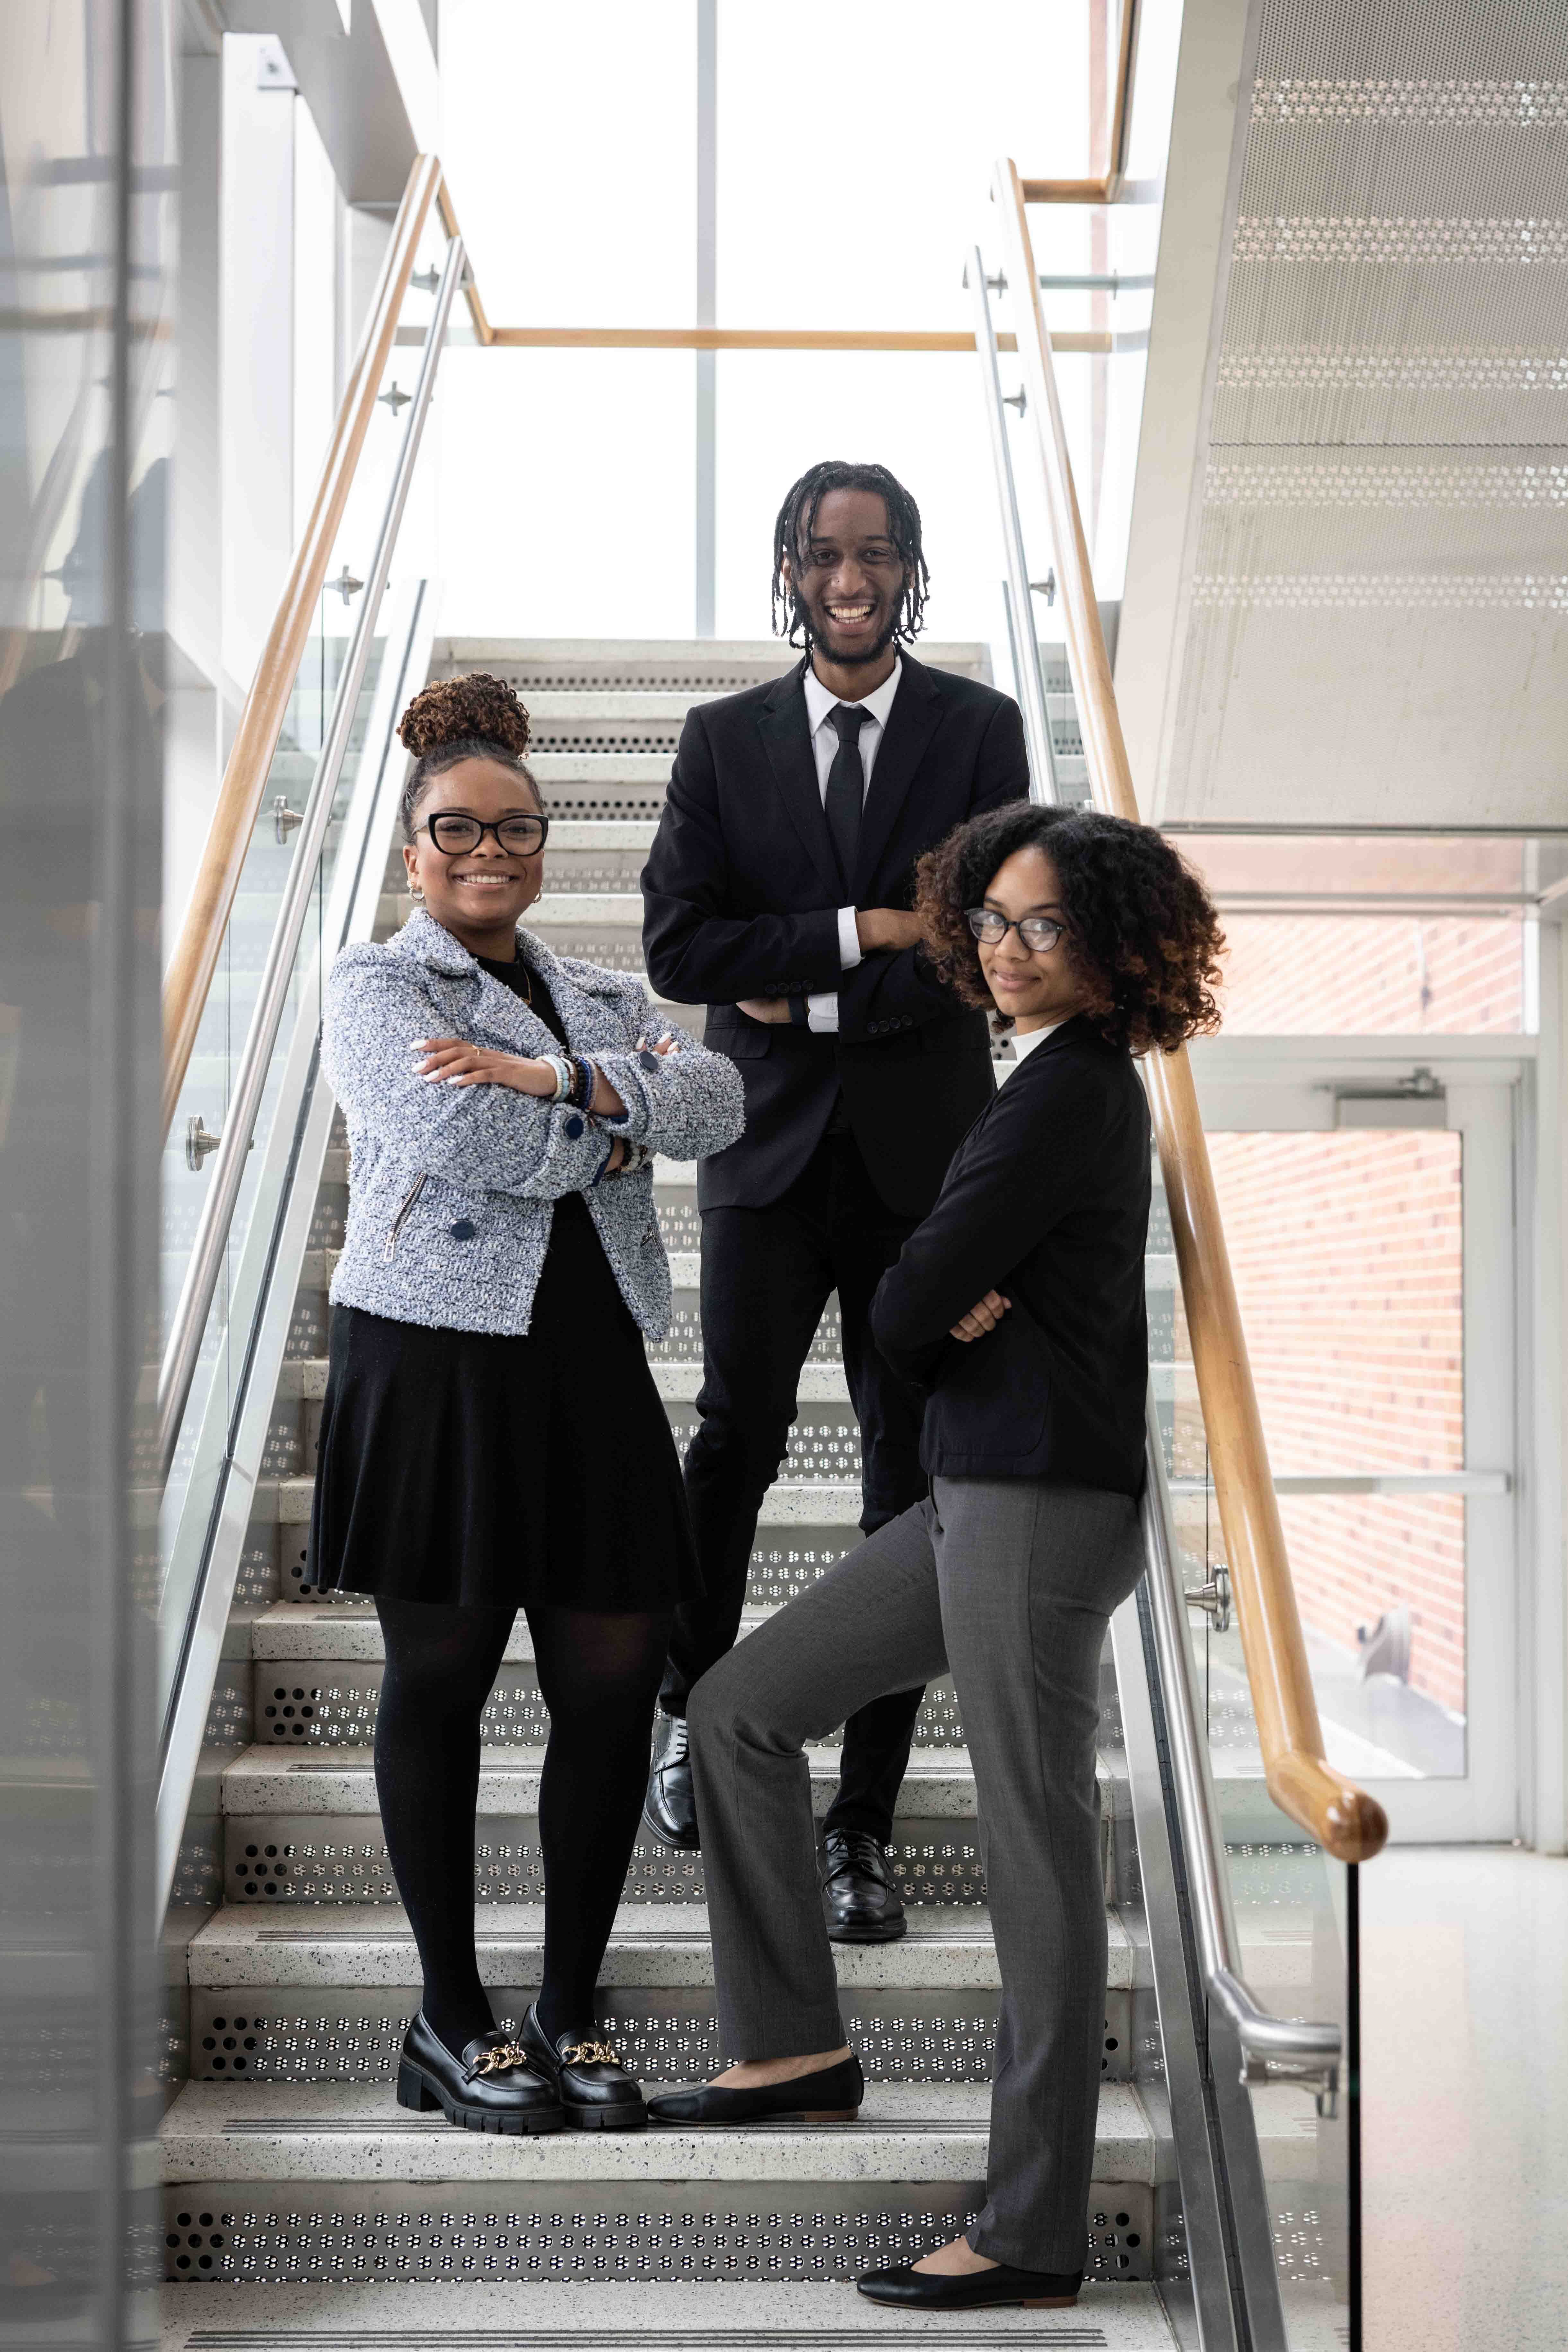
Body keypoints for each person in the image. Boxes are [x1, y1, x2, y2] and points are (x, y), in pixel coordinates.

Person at [646, 801, 1224, 2313]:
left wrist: (934, 1289)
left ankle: (1032, 2225)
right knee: (740, 1708)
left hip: (1037, 1501)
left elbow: (904, 1306)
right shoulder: (1047, 1083)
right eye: (992, 919)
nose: (1009, 948)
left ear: (1113, 945)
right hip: (978, 1483)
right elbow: (919, 1294)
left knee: (1037, 1857)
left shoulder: (1074, 1092)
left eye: (1046, 924)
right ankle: (796, 2043)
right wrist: (932, 1287)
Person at [308, 672, 743, 2137]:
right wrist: (609, 1128)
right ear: (412, 848)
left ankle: (566, 2009)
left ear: (546, 840)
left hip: (590, 1369)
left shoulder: (607, 992)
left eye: (518, 828)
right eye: (458, 830)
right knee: (438, 1680)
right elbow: (452, 1127)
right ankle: (451, 2018)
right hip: (432, 1365)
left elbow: (722, 1105)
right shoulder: (374, 983)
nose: (490, 852)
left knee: (612, 1689)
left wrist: (559, 1076)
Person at [639, 460, 1028, 1938]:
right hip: (764, 1153)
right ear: (790, 567)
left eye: (875, 553)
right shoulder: (722, 739)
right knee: (731, 1437)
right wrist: (864, 929)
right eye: (823, 552)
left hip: (926, 1163)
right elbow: (682, 946)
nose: (848, 577)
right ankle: (691, 1713)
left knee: (906, 1472)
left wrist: (792, 979)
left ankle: (859, 1824)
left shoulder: (977, 729)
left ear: (909, 568)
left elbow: (984, 942)